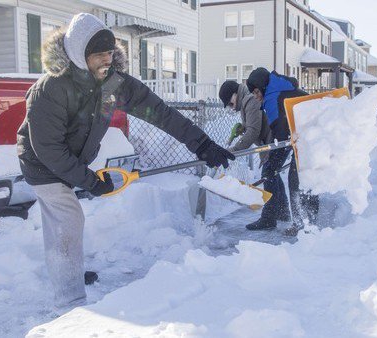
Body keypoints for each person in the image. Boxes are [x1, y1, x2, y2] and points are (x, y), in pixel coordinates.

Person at [16, 13, 234, 309]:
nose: (106, 60)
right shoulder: (51, 89)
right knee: (67, 218)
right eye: (98, 55)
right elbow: (49, 149)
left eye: (109, 52)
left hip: (71, 159)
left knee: (64, 224)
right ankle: (70, 304)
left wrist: (202, 144)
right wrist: (91, 182)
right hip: (41, 162)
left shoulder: (113, 83)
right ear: (81, 55)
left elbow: (160, 113)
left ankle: (70, 270)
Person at [246, 67, 319, 236]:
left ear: (263, 86)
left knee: (297, 179)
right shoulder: (281, 89)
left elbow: (281, 135)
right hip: (312, 135)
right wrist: (273, 163)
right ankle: (309, 225)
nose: (256, 97)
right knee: (306, 178)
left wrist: (273, 164)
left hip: (307, 137)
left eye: (257, 92)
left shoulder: (273, 97)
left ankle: (304, 227)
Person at [219, 80, 271, 162]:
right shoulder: (245, 100)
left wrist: (234, 150)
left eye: (230, 103)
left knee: (268, 173)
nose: (231, 107)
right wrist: (243, 128)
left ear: (235, 94)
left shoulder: (251, 100)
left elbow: (253, 131)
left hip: (273, 141)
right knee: (270, 173)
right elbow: (255, 121)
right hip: (268, 143)